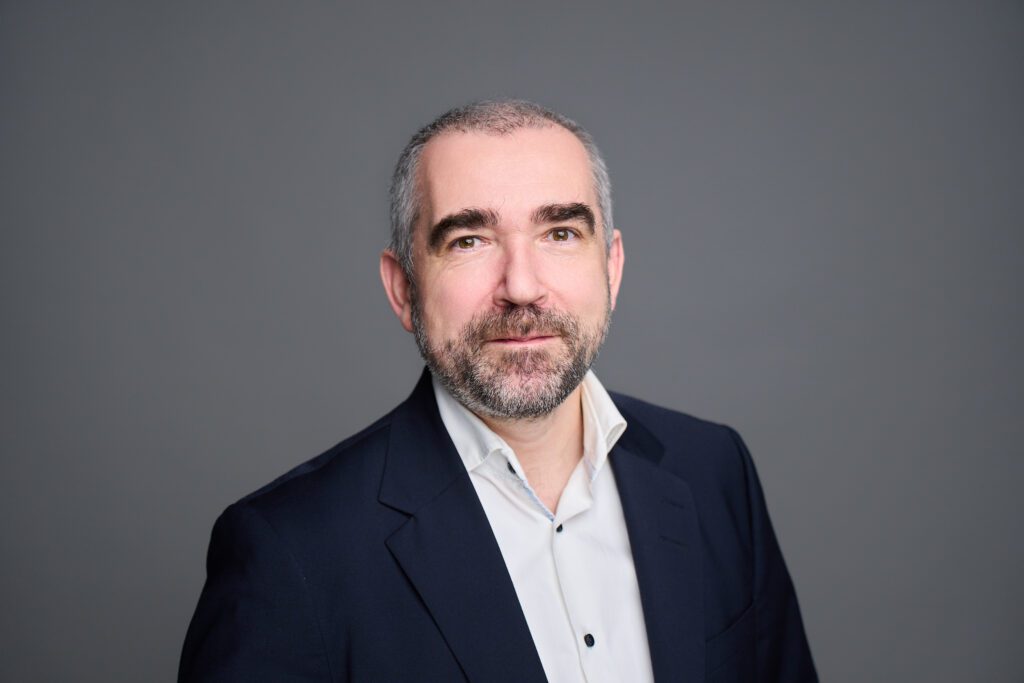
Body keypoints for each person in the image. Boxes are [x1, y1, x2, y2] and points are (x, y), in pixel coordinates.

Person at [179, 100, 818, 682]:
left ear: (612, 268)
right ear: (403, 289)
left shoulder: (714, 472)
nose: (521, 286)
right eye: (470, 240)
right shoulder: (289, 552)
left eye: (560, 233)